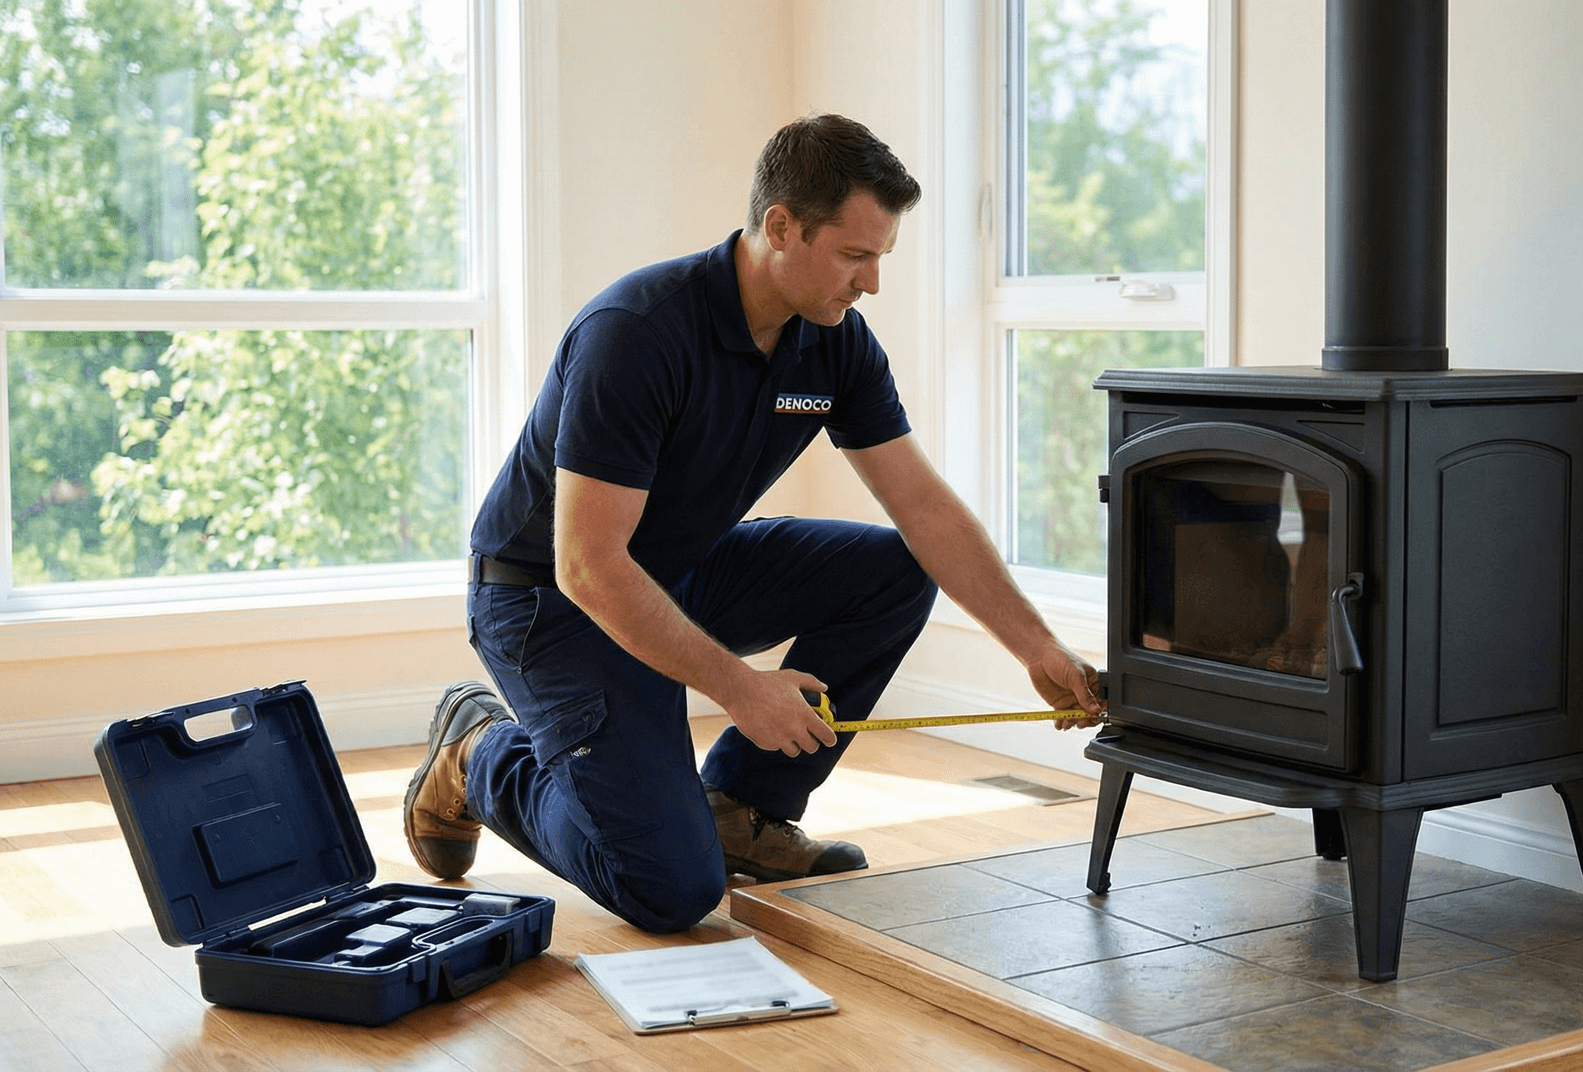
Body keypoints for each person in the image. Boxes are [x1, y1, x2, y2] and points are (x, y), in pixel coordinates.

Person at [403, 114, 1105, 933]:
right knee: (669, 890)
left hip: (679, 569)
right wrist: (740, 688)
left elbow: (925, 509)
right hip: (549, 601)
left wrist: (1036, 647)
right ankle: (479, 751)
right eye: (855, 255)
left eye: (881, 256)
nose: (872, 282)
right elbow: (588, 565)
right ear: (781, 226)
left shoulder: (835, 342)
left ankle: (740, 805)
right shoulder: (636, 334)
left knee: (894, 571)